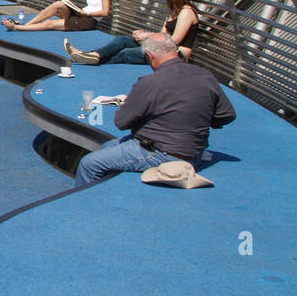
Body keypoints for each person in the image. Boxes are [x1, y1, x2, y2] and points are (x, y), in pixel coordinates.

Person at [74, 33, 235, 186]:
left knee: (89, 164)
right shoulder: (205, 76)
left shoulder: (150, 82)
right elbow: (227, 115)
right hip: (195, 151)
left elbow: (121, 122)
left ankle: (84, 206)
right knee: (108, 146)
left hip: (160, 153)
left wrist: (133, 104)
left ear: (150, 56)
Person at [65, 0, 201, 66]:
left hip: (176, 54)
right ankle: (92, 55)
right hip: (163, 46)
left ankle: (89, 59)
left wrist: (147, 37)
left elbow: (175, 40)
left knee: (125, 53)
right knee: (123, 40)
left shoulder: (187, 12)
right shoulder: (174, 11)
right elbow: (163, 34)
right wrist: (145, 34)